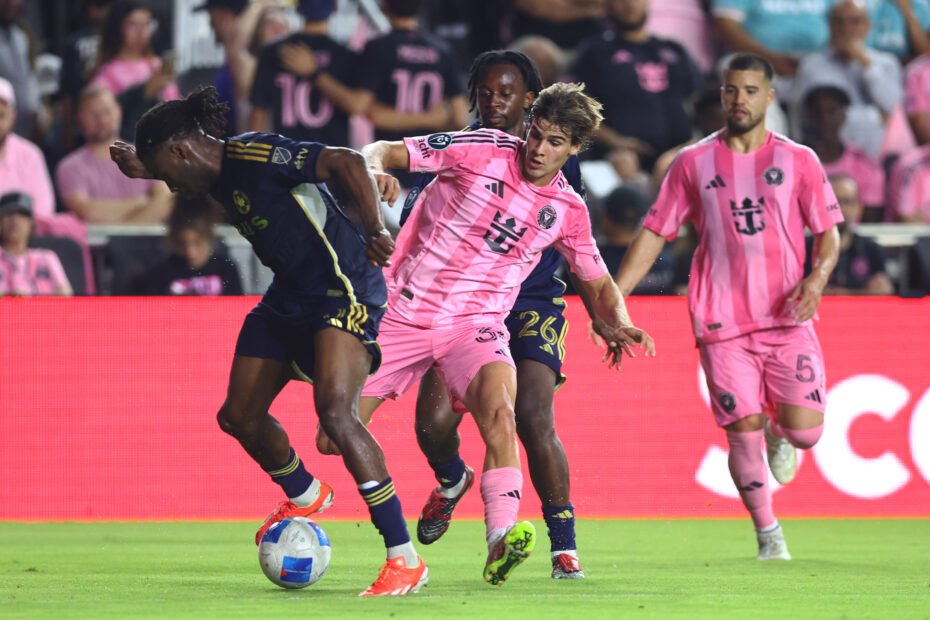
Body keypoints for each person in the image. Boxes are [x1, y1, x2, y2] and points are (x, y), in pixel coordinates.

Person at [321, 82, 655, 586]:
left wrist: (620, 321)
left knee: (503, 415)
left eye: (555, 142)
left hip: (474, 325)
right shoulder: (480, 148)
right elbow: (383, 148)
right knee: (332, 437)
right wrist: (373, 170)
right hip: (402, 311)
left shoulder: (568, 211)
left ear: (574, 148)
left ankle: (501, 536)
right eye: (536, 135)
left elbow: (599, 281)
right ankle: (454, 478)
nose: (538, 150)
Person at [109, 86, 428, 597]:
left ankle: (404, 557)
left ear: (181, 150)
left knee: (336, 414)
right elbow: (189, 171)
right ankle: (304, 492)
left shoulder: (256, 154)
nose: (170, 187)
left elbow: (346, 161)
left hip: (341, 286)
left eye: (166, 173)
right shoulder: (208, 170)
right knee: (238, 416)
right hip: (288, 297)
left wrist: (374, 228)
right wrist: (147, 167)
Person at [616, 54, 842, 561]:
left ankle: (782, 433)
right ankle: (769, 534)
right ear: (721, 96)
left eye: (750, 90)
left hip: (787, 317)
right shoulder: (693, 162)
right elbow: (655, 231)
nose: (740, 100)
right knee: (741, 431)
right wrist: (616, 298)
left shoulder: (799, 159)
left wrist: (817, 279)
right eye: (731, 90)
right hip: (721, 321)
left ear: (770, 97)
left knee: (806, 433)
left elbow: (828, 234)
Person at [398, 50, 590, 580]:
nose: (493, 101)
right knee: (433, 426)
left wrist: (606, 310)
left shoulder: (553, 150)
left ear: (531, 100)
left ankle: (563, 547)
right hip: (460, 304)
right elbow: (419, 214)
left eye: (506, 93)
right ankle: (451, 478)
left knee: (531, 414)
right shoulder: (461, 147)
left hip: (529, 300)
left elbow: (573, 233)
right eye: (484, 92)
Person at [567, 0, 702, 172]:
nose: (630, 4)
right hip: (623, 157)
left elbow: (701, 101)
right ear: (608, 4)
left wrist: (697, 142)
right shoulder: (595, 51)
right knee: (623, 162)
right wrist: (616, 141)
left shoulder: (673, 49)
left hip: (679, 153)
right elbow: (573, 108)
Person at [355, 0, 469, 186]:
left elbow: (372, 112)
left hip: (387, 167)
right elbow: (461, 118)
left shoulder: (378, 47)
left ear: (385, 6)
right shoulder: (442, 50)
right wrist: (429, 119)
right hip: (428, 167)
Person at [788, 0, 903, 158]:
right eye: (839, 22)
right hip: (827, 156)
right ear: (829, 26)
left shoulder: (887, 63)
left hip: (876, 157)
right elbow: (804, 116)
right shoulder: (811, 65)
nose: (846, 29)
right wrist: (874, 117)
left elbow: (892, 108)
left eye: (855, 22)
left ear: (868, 26)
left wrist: (866, 63)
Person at [248, 0, 361, 147]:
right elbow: (357, 107)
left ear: (298, 7)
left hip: (285, 155)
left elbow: (258, 115)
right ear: (334, 8)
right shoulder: (346, 55)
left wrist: (314, 72)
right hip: (332, 156)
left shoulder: (274, 51)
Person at [56, 85, 173, 223]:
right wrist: (141, 202)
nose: (102, 120)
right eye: (93, 114)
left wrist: (128, 228)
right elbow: (86, 210)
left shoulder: (147, 154)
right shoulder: (70, 167)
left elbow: (165, 201)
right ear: (80, 119)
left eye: (107, 111)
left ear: (118, 112)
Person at [801, 85, 886, 218]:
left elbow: (871, 219)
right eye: (817, 113)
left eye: (831, 112)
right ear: (808, 117)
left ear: (844, 116)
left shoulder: (864, 165)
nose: (825, 119)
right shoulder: (792, 163)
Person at [806, 175, 894, 295]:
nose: (839, 208)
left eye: (846, 202)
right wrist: (862, 292)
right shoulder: (805, 249)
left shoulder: (871, 249)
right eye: (834, 202)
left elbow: (883, 289)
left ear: (859, 208)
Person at [138, 205, 243, 295]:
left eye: (197, 243)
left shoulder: (226, 269)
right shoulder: (161, 273)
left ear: (209, 237)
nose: (190, 251)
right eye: (182, 244)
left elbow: (238, 305)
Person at [0, 77, 55, 220]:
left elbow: (43, 212)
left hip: (24, 234)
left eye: (1, 115)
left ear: (13, 117)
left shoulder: (30, 155)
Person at [0, 191, 72, 296]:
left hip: (43, 307)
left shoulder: (47, 258)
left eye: (22, 215)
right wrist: (9, 298)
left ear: (32, 224)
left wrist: (30, 301)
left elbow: (66, 296)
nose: (15, 220)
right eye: (9, 214)